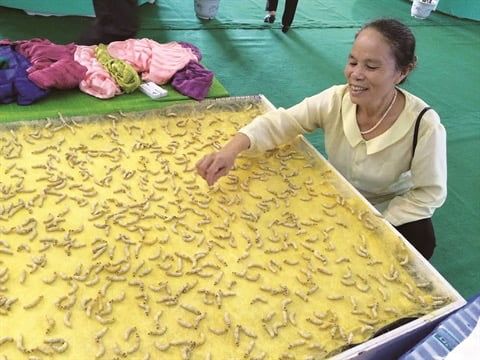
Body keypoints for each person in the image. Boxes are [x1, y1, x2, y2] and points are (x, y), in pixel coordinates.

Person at [196, 18, 446, 260]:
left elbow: (428, 193)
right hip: (335, 194)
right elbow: (282, 122)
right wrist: (230, 150)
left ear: (402, 71)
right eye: (352, 62)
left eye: (371, 67)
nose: (355, 74)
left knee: (417, 248)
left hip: (388, 206)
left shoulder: (423, 125)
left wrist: (382, 224)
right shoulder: (337, 99)